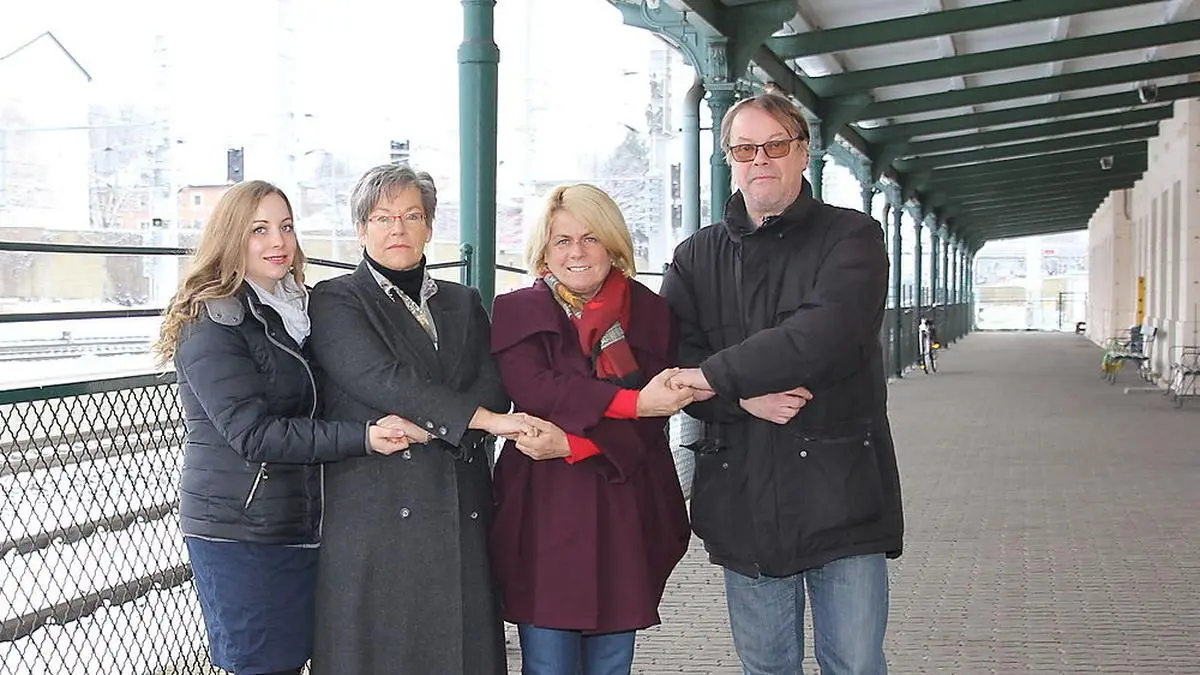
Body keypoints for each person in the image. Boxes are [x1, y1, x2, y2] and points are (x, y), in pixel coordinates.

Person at [660, 93, 904, 675]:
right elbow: (672, 354)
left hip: (841, 494)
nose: (759, 159)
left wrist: (714, 376)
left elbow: (823, 334)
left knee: (855, 664)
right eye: (745, 148)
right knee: (766, 668)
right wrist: (739, 396)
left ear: (803, 152)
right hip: (746, 499)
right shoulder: (696, 256)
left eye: (775, 145)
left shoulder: (853, 238)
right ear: (729, 159)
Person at [154, 180, 412, 675]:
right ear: (231, 238)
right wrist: (363, 438)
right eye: (259, 230)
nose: (278, 242)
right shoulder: (214, 322)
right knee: (263, 665)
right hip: (243, 529)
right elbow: (253, 435)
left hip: (301, 520)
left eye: (286, 227)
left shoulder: (298, 311)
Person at [305, 163, 532, 675]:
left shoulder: (463, 300)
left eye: (411, 215)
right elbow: (376, 378)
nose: (398, 229)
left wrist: (442, 419)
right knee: (381, 651)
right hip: (378, 507)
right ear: (361, 229)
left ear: (430, 225)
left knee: (463, 649)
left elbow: (491, 381)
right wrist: (481, 421)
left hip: (458, 501)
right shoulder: (336, 299)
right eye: (382, 218)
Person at [489, 182, 693, 675]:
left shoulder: (649, 311)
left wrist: (576, 443)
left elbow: (655, 417)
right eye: (562, 240)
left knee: (611, 663)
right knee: (548, 663)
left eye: (590, 238)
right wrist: (634, 402)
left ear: (613, 244)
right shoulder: (517, 309)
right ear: (544, 249)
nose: (576, 252)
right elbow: (538, 389)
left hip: (625, 502)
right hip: (545, 510)